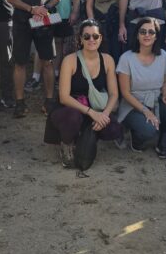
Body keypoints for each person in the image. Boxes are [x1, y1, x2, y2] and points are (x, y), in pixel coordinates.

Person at [46, 20, 121, 167]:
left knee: (113, 128)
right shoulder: (70, 60)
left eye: (95, 36)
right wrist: (92, 113)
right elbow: (64, 97)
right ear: (80, 39)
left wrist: (104, 115)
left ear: (101, 38)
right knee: (72, 118)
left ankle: (87, 137)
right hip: (70, 108)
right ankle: (66, 143)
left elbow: (114, 94)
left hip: (95, 107)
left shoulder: (108, 60)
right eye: (86, 36)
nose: (91, 40)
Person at [4, 0, 61, 118]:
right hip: (21, 20)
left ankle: (49, 101)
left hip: (44, 20)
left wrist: (45, 8)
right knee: (19, 62)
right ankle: (20, 103)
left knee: (48, 61)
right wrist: (31, 9)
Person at [116, 17, 166, 158]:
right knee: (148, 130)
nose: (147, 35)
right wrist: (146, 111)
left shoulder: (163, 56)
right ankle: (136, 140)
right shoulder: (126, 58)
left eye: (151, 32)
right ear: (137, 34)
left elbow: (165, 82)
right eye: (143, 31)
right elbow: (125, 93)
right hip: (133, 105)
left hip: (156, 100)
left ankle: (164, 144)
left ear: (156, 36)